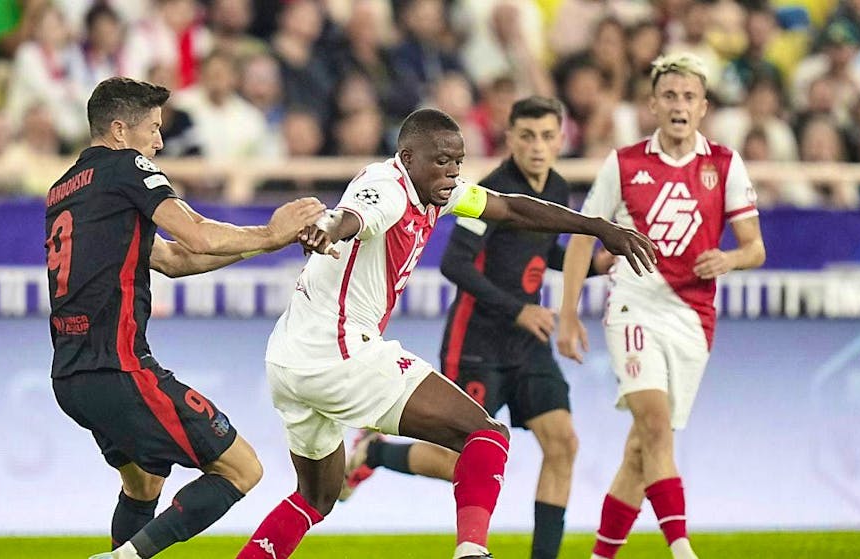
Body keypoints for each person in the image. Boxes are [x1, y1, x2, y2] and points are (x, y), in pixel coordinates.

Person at [234, 108, 657, 559]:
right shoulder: (389, 189)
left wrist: (597, 228)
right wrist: (325, 227)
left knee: (315, 498)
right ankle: (471, 551)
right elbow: (351, 216)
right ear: (408, 157)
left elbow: (510, 207)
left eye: (458, 161)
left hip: (288, 359)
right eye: (441, 162)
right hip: (338, 352)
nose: (452, 172)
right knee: (487, 436)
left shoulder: (440, 192)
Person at [45, 77, 327, 559]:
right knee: (243, 470)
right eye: (153, 129)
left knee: (144, 483)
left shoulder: (65, 190)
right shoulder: (127, 167)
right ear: (118, 131)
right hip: (120, 367)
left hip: (71, 376)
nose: (158, 142)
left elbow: (175, 260)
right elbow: (196, 234)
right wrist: (271, 230)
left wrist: (266, 243)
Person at [337, 96, 615, 559]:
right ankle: (376, 454)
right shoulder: (491, 190)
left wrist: (593, 265)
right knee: (460, 460)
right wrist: (518, 309)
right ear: (510, 139)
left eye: (548, 136)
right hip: (478, 342)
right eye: (527, 135)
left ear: (561, 139)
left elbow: (542, 255)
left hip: (528, 344)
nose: (538, 146)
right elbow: (455, 263)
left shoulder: (559, 188)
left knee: (562, 444)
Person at [556, 53, 766, 559]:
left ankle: (600, 556)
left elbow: (755, 248)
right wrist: (567, 314)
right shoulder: (624, 163)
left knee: (641, 448)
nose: (679, 105)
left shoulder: (724, 164)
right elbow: (585, 238)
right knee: (652, 422)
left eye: (689, 97)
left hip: (693, 318)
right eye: (669, 96)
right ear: (652, 105)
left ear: (703, 107)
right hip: (633, 305)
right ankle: (682, 548)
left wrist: (730, 259)